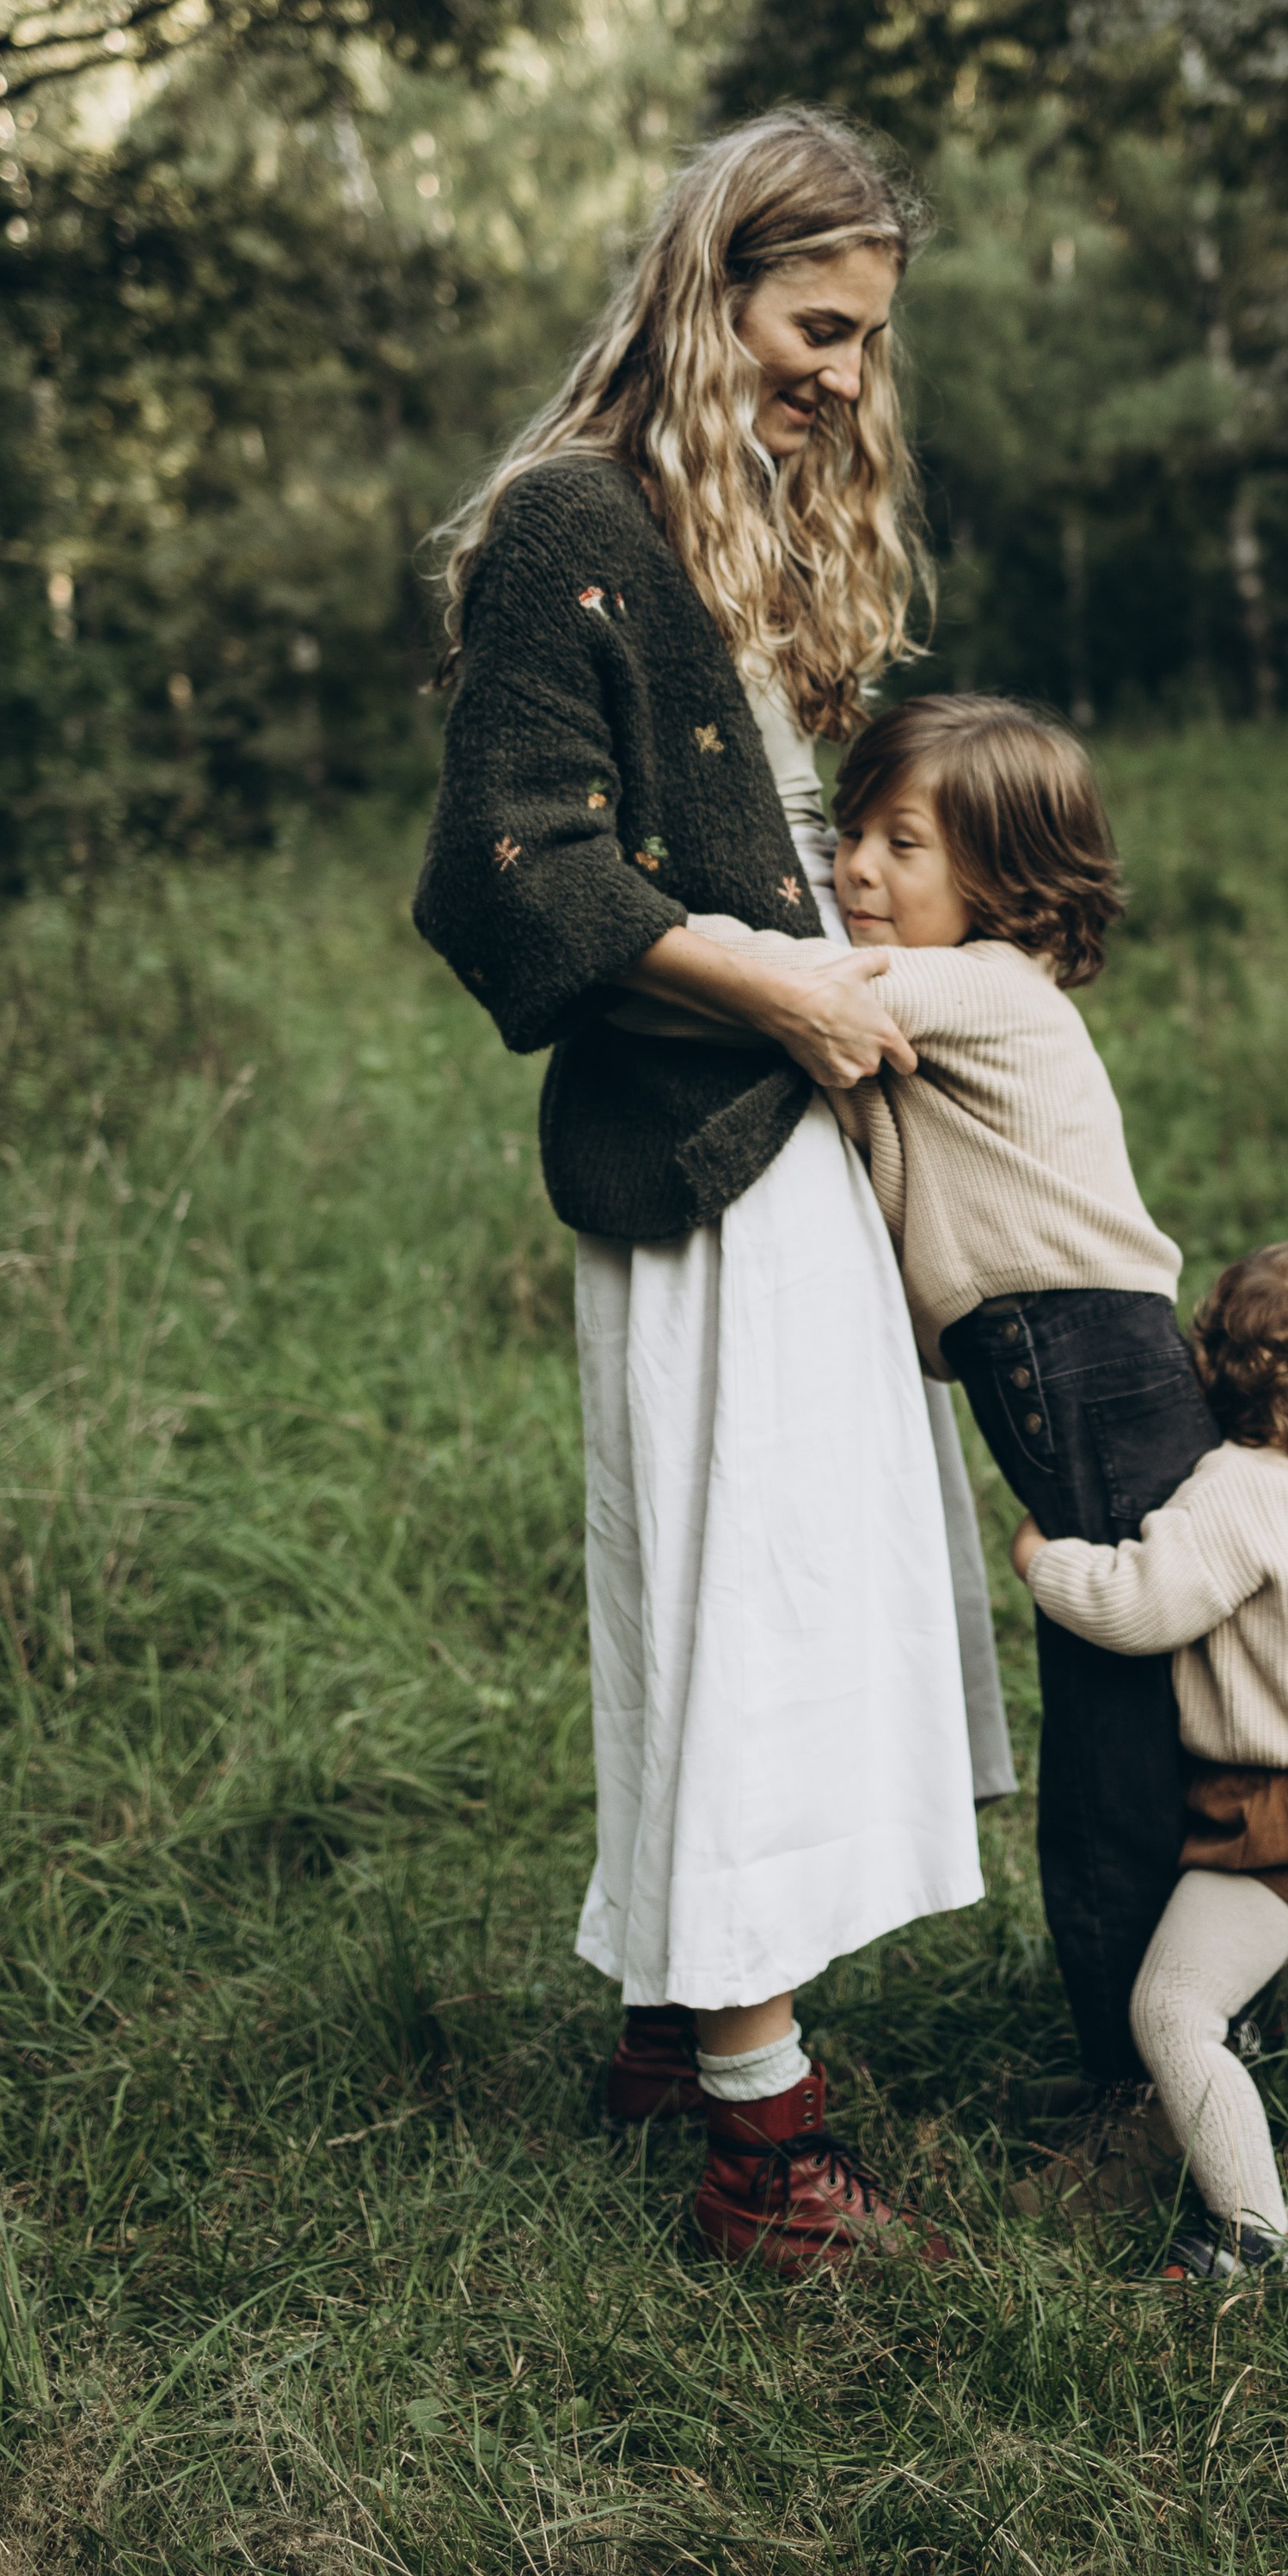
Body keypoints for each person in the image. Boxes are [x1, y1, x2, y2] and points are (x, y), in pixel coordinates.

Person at [412, 111, 1012, 2280]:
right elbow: (511, 873)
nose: (843, 372)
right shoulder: (579, 519)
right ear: (706, 291)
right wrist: (784, 984)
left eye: (867, 338)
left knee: (772, 1583)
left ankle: (684, 2018)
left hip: (789, 1141)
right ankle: (765, 2138)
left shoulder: (747, 526)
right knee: (745, 1604)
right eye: (810, 323)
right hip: (697, 1146)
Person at [666, 692, 1220, 2198]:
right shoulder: (952, 983)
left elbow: (798, 983)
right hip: (1080, 1368)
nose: (854, 865)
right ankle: (1210, 2030)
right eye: (846, 829)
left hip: (1093, 1365)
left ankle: (1143, 2092)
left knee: (1116, 1750)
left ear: (1008, 888)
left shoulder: (982, 984)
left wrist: (634, 918)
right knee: (1146, 1722)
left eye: (900, 842)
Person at [1011, 1243, 1288, 2283]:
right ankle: (1272, 2015)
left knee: (1172, 2012)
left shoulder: (1234, 1491)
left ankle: (1255, 2233)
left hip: (1280, 1817)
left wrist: (1043, 1560)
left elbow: (1140, 1608)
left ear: (1205, 1361)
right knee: (1225, 1975)